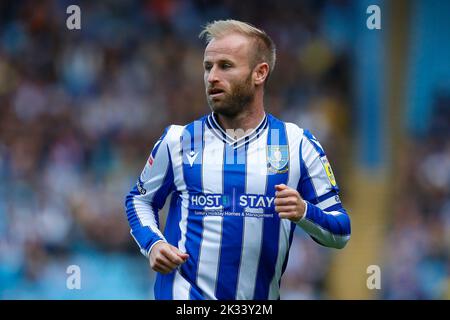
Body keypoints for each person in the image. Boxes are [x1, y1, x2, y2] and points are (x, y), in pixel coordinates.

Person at [124, 19, 351, 300]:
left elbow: (341, 232)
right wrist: (154, 243)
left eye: (225, 66)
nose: (212, 77)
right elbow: (139, 199)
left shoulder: (298, 145)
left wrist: (304, 211)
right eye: (208, 67)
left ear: (260, 73)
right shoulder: (177, 140)